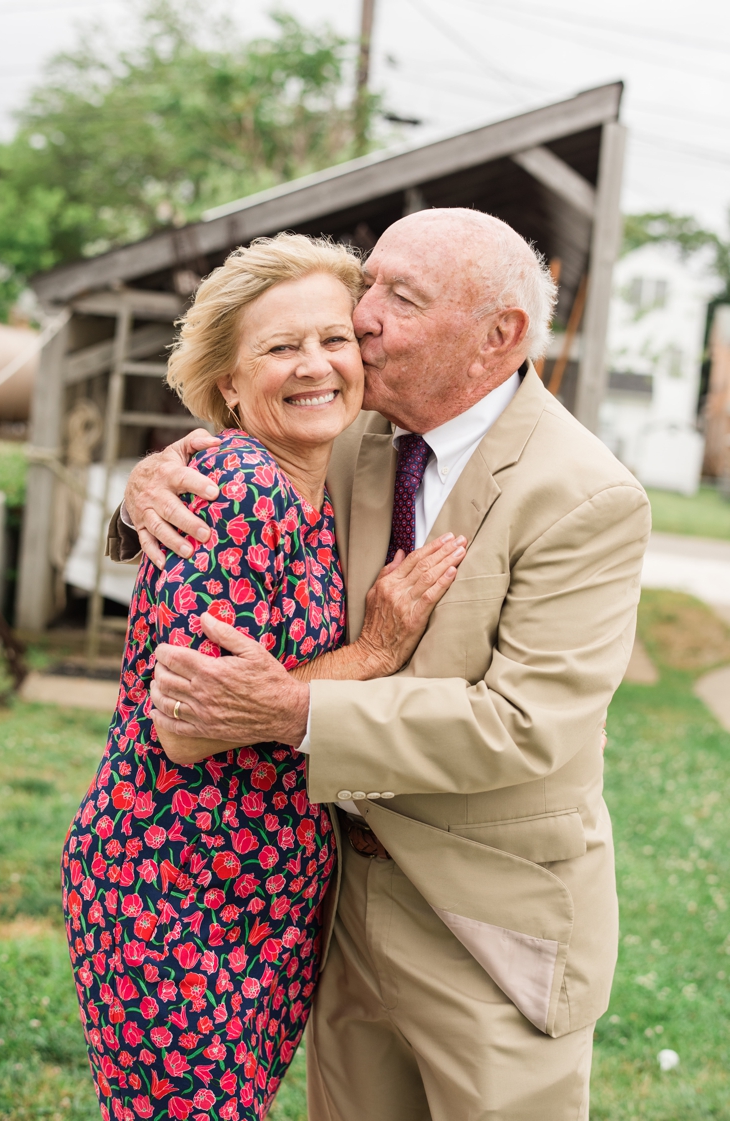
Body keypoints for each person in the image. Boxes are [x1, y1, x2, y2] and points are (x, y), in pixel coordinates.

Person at [113, 208, 649, 1119]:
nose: (362, 319)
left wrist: (294, 713)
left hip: (486, 923)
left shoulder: (586, 495)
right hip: (338, 904)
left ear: (499, 335)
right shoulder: (352, 429)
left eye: (400, 297)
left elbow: (526, 727)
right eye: (371, 285)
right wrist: (140, 493)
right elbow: (234, 479)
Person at [62, 232, 466, 1121]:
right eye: (281, 347)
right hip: (174, 892)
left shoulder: (320, 489)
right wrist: (373, 649)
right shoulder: (243, 487)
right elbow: (188, 722)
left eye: (333, 339)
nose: (315, 364)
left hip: (259, 897)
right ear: (230, 387)